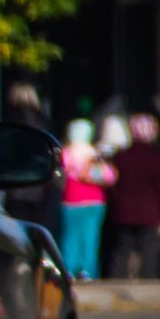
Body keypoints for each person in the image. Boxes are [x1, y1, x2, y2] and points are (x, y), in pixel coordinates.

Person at [107, 114, 160, 279]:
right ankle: (149, 283)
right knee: (149, 252)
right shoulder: (156, 157)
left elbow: (114, 185)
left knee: (122, 251)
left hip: (124, 212)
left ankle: (117, 281)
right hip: (150, 213)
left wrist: (116, 207)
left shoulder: (121, 157)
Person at [3, 82, 62, 241]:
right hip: (39, 185)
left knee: (16, 233)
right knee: (36, 231)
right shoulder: (43, 122)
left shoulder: (8, 120)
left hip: (14, 186)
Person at [61, 118, 116, 280]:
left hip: (71, 199)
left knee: (70, 237)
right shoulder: (95, 153)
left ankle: (69, 270)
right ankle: (88, 271)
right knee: (90, 238)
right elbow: (110, 176)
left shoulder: (66, 153)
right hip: (95, 200)